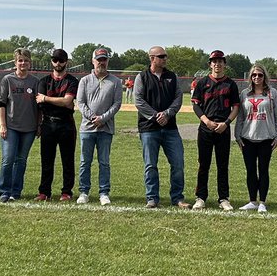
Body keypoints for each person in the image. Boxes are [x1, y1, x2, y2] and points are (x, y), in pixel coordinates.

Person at [134, 47, 190, 209]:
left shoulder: (172, 77)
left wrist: (167, 114)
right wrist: (155, 116)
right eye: (161, 56)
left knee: (178, 163)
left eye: (165, 56)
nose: (165, 59)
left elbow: (178, 98)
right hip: (149, 129)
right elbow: (138, 100)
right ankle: (152, 198)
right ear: (152, 58)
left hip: (170, 128)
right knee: (151, 164)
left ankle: (177, 198)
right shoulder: (142, 77)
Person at [191, 50, 241, 211]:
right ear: (210, 64)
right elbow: (196, 105)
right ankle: (200, 197)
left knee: (222, 165)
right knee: (203, 164)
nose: (217, 64)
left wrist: (226, 123)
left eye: (220, 61)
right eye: (214, 61)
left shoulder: (230, 84)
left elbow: (236, 107)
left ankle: (224, 198)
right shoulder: (203, 82)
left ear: (224, 64)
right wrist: (206, 121)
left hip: (223, 129)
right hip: (206, 128)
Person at [235, 63, 277, 213]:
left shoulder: (272, 93)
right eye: (254, 75)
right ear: (250, 77)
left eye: (260, 75)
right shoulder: (244, 94)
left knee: (263, 170)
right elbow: (240, 117)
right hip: (247, 137)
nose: (257, 77)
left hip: (266, 138)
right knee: (250, 170)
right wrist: (237, 135)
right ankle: (252, 201)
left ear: (264, 77)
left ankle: (262, 201)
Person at [76, 48, 122, 205]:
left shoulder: (115, 81)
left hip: (106, 129)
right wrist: (91, 117)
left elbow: (117, 104)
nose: (102, 62)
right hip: (87, 128)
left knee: (104, 162)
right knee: (85, 162)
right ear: (93, 61)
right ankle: (84, 192)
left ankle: (104, 192)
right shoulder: (85, 81)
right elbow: (80, 102)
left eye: (104, 59)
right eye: (99, 59)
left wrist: (102, 118)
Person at [0, 48, 38, 203]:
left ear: (30, 63)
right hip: (11, 126)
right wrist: (2, 125)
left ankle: (16, 191)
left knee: (21, 160)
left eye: (26, 60)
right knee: (8, 159)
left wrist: (39, 125)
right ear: (15, 62)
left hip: (29, 128)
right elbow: (1, 103)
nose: (23, 63)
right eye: (20, 60)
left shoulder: (34, 81)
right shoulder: (8, 80)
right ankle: (4, 191)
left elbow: (39, 106)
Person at [36, 48, 79, 202]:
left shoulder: (72, 81)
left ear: (66, 62)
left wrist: (46, 99)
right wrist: (59, 102)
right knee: (46, 160)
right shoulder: (43, 81)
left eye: (61, 60)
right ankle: (44, 191)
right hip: (48, 123)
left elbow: (67, 101)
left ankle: (67, 191)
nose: (58, 63)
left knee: (67, 160)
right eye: (55, 60)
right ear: (51, 61)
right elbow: (40, 104)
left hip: (66, 124)